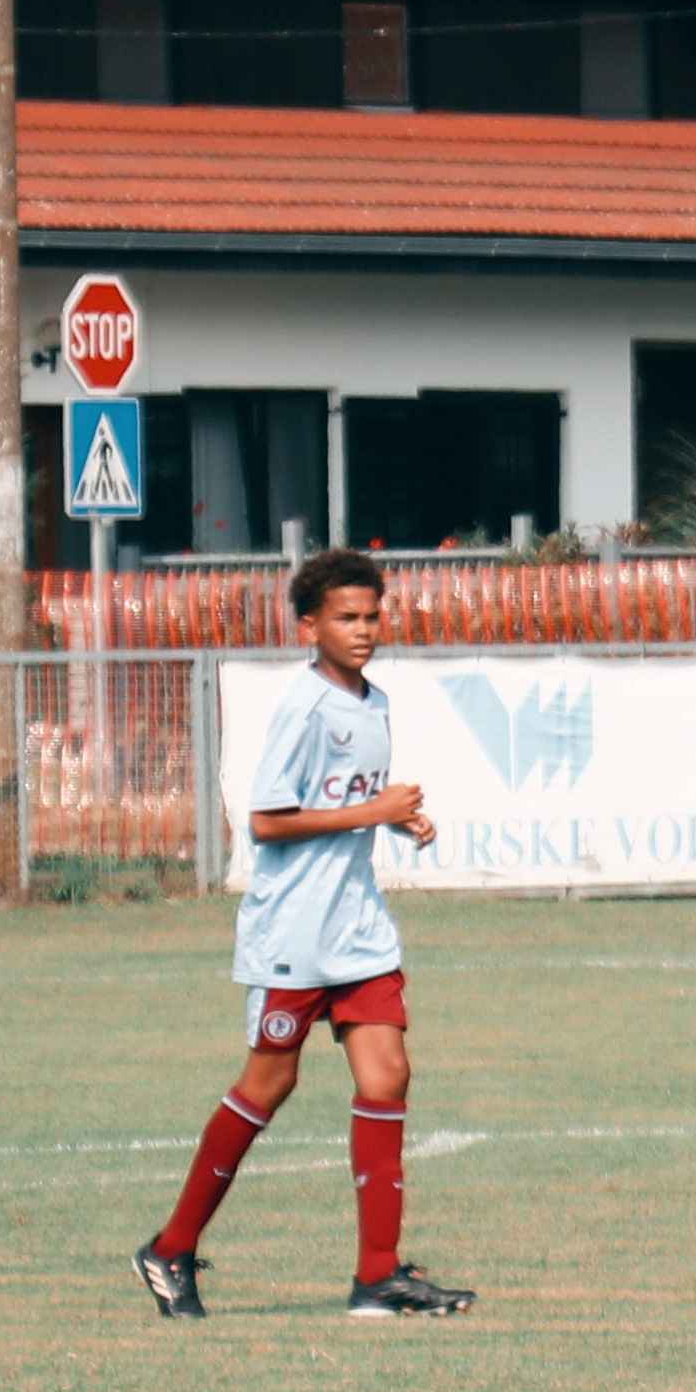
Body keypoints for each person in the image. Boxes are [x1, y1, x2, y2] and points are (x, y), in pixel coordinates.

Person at [137, 550, 477, 1323]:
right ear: (309, 626)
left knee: (387, 1075)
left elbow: (351, 800)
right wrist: (375, 813)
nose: (363, 631)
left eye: (372, 616)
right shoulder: (304, 708)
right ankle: (171, 1248)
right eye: (345, 619)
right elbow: (266, 821)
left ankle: (378, 1277)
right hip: (294, 930)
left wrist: (398, 818)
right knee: (269, 1084)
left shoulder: (373, 702)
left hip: (357, 924)